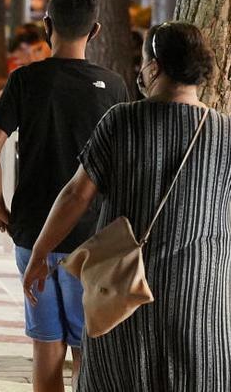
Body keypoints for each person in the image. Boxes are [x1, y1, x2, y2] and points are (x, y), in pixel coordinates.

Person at [23, 22, 231, 391]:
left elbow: (76, 195)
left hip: (123, 290)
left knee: (117, 377)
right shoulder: (224, 133)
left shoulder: (123, 120)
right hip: (200, 293)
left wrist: (40, 253)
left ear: (154, 67)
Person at [0, 0, 128, 392]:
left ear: (47, 25)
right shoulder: (115, 87)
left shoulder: (26, 80)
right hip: (91, 237)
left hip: (32, 231)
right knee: (86, 351)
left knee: (46, 348)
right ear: (95, 31)